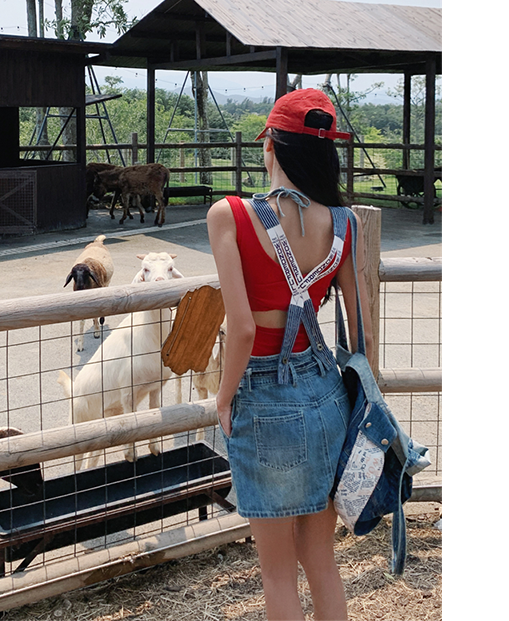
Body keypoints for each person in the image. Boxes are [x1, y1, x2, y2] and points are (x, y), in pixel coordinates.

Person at [206, 88, 374, 621]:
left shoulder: (229, 215)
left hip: (262, 399)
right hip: (326, 393)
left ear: (271, 146)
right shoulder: (344, 223)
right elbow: (360, 324)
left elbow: (242, 330)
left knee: (276, 574)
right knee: (321, 559)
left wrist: (224, 398)